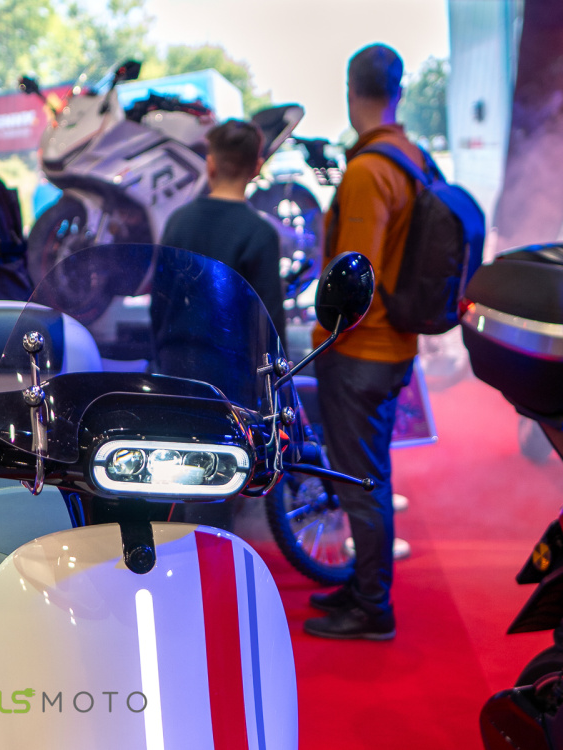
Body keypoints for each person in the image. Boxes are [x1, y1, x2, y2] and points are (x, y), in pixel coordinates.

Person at [302, 44, 421, 641]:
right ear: (398, 91)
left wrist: (324, 338)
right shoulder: (411, 158)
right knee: (371, 474)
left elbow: (357, 276)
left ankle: (373, 607)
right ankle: (363, 585)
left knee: (360, 483)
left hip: (360, 351)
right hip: (393, 345)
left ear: (352, 90)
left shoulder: (369, 171)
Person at [159, 118, 285, 339]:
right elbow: (269, 320)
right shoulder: (261, 233)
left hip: (178, 353)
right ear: (257, 168)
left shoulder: (177, 221)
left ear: (210, 165)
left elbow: (161, 302)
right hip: (234, 357)